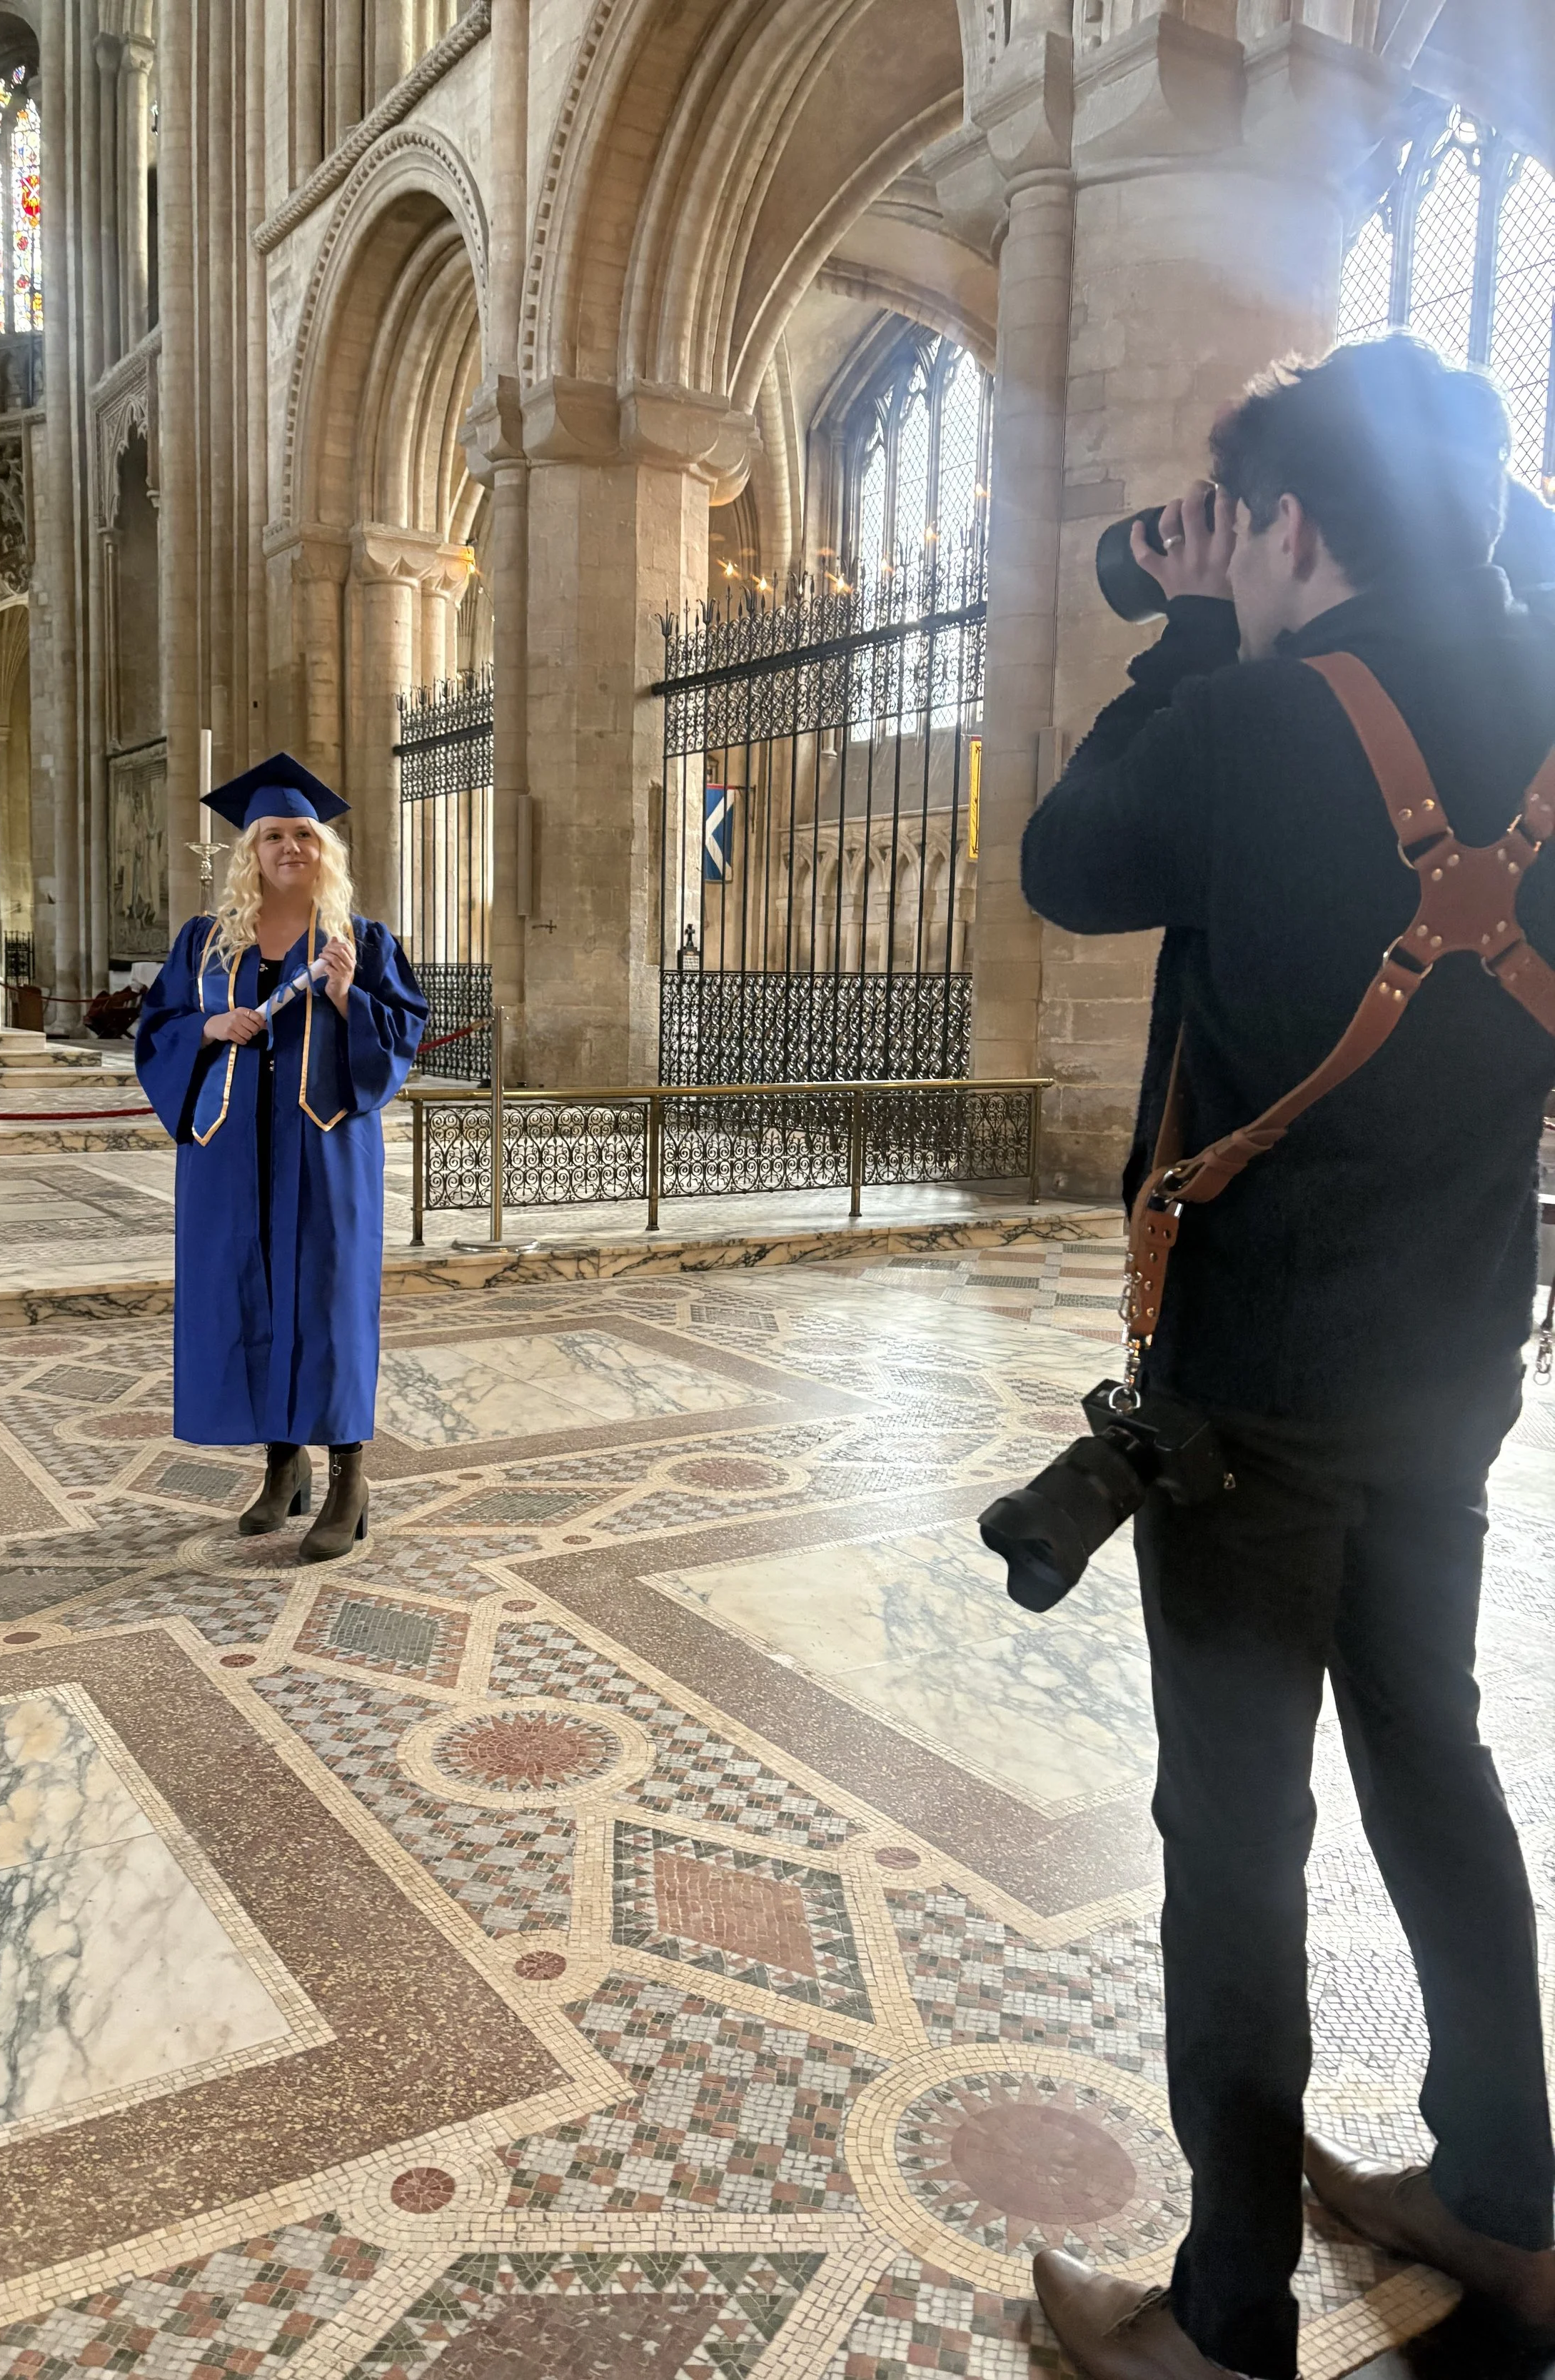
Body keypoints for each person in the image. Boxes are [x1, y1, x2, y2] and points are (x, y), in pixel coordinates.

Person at [1017, 336, 1555, 2379]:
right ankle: (1504, 2200)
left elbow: (1062, 861)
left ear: (1291, 523)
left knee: (1233, 1835)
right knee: (1435, 1751)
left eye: (1234, 520)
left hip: (1244, 1398)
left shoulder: (1242, 720)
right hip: (1451, 1375)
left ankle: (1224, 2315)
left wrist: (1171, 640)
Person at [136, 755, 428, 1562]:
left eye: (304, 833)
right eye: (273, 835)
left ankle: (348, 1479)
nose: (290, 846)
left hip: (323, 1149)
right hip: (229, 1153)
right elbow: (157, 1029)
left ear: (323, 849)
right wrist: (207, 1028)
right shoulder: (205, 940)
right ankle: (281, 1468)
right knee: (248, 1300)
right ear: (250, 851)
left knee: (326, 1306)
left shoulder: (359, 942)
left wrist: (344, 995)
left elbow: (402, 1035)